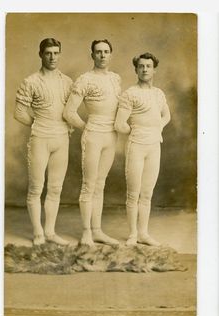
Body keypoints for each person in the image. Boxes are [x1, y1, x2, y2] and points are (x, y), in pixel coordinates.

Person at [14, 38, 73, 246]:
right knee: (36, 188)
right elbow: (19, 112)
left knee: (55, 188)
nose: (52, 57)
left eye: (56, 53)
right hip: (40, 138)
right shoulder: (30, 81)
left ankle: (50, 232)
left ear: (60, 54)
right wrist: (39, 124)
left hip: (61, 139)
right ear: (40, 54)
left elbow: (70, 111)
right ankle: (38, 232)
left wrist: (68, 125)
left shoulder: (67, 81)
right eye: (48, 53)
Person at [63, 39, 121, 247]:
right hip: (94, 135)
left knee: (100, 184)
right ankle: (86, 232)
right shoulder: (85, 79)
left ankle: (97, 231)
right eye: (98, 52)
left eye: (106, 51)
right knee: (89, 185)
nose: (103, 55)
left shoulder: (115, 79)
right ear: (92, 55)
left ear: (111, 54)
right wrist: (86, 127)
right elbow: (69, 112)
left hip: (111, 135)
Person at [114, 52, 171, 246]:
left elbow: (166, 115)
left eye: (148, 66)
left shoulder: (158, 93)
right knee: (133, 193)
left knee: (147, 194)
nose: (145, 69)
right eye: (141, 66)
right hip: (136, 146)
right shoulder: (130, 93)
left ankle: (144, 233)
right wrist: (135, 131)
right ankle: (132, 234)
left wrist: (158, 128)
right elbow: (119, 123)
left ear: (154, 69)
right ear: (136, 69)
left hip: (154, 146)